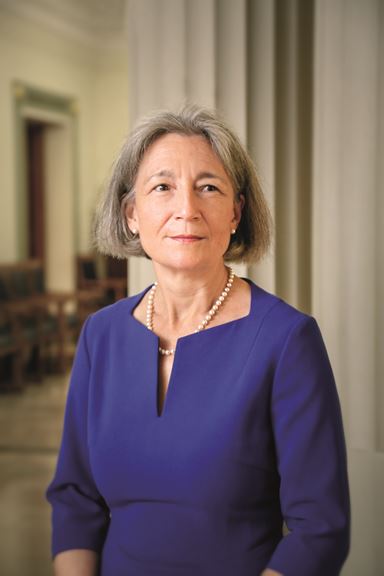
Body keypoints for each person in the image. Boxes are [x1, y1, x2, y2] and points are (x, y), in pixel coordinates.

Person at [46, 105, 350, 576]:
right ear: (131, 213)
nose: (186, 209)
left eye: (208, 187)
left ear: (235, 213)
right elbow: (75, 502)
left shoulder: (288, 340)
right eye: (162, 187)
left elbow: (320, 530)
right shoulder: (100, 335)